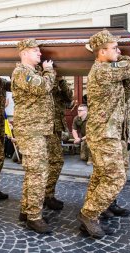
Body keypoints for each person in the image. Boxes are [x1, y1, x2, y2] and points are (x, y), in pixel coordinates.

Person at [77, 30, 130, 238]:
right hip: (104, 132)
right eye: (114, 48)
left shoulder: (110, 68)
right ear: (102, 52)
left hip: (110, 131)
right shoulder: (103, 70)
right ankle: (89, 214)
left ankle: (94, 212)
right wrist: (123, 57)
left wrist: (118, 58)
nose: (118, 51)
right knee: (115, 177)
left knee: (100, 176)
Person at [11, 38, 56, 233]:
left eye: (40, 50)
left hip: (38, 129)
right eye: (35, 51)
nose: (40, 53)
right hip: (30, 130)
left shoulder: (32, 72)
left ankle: (26, 209)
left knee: (33, 172)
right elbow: (42, 87)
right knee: (38, 173)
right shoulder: (22, 72)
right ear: (23, 53)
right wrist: (49, 71)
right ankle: (34, 217)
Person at [102, 59, 130, 220]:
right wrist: (126, 64)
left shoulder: (127, 79)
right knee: (107, 172)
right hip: (109, 132)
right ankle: (102, 205)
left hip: (121, 132)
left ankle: (111, 202)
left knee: (122, 171)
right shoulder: (108, 73)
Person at [43, 76, 73, 210]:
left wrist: (61, 81)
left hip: (57, 127)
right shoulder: (43, 78)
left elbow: (69, 98)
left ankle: (47, 195)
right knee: (54, 161)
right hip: (46, 128)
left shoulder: (60, 83)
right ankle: (46, 196)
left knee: (54, 162)